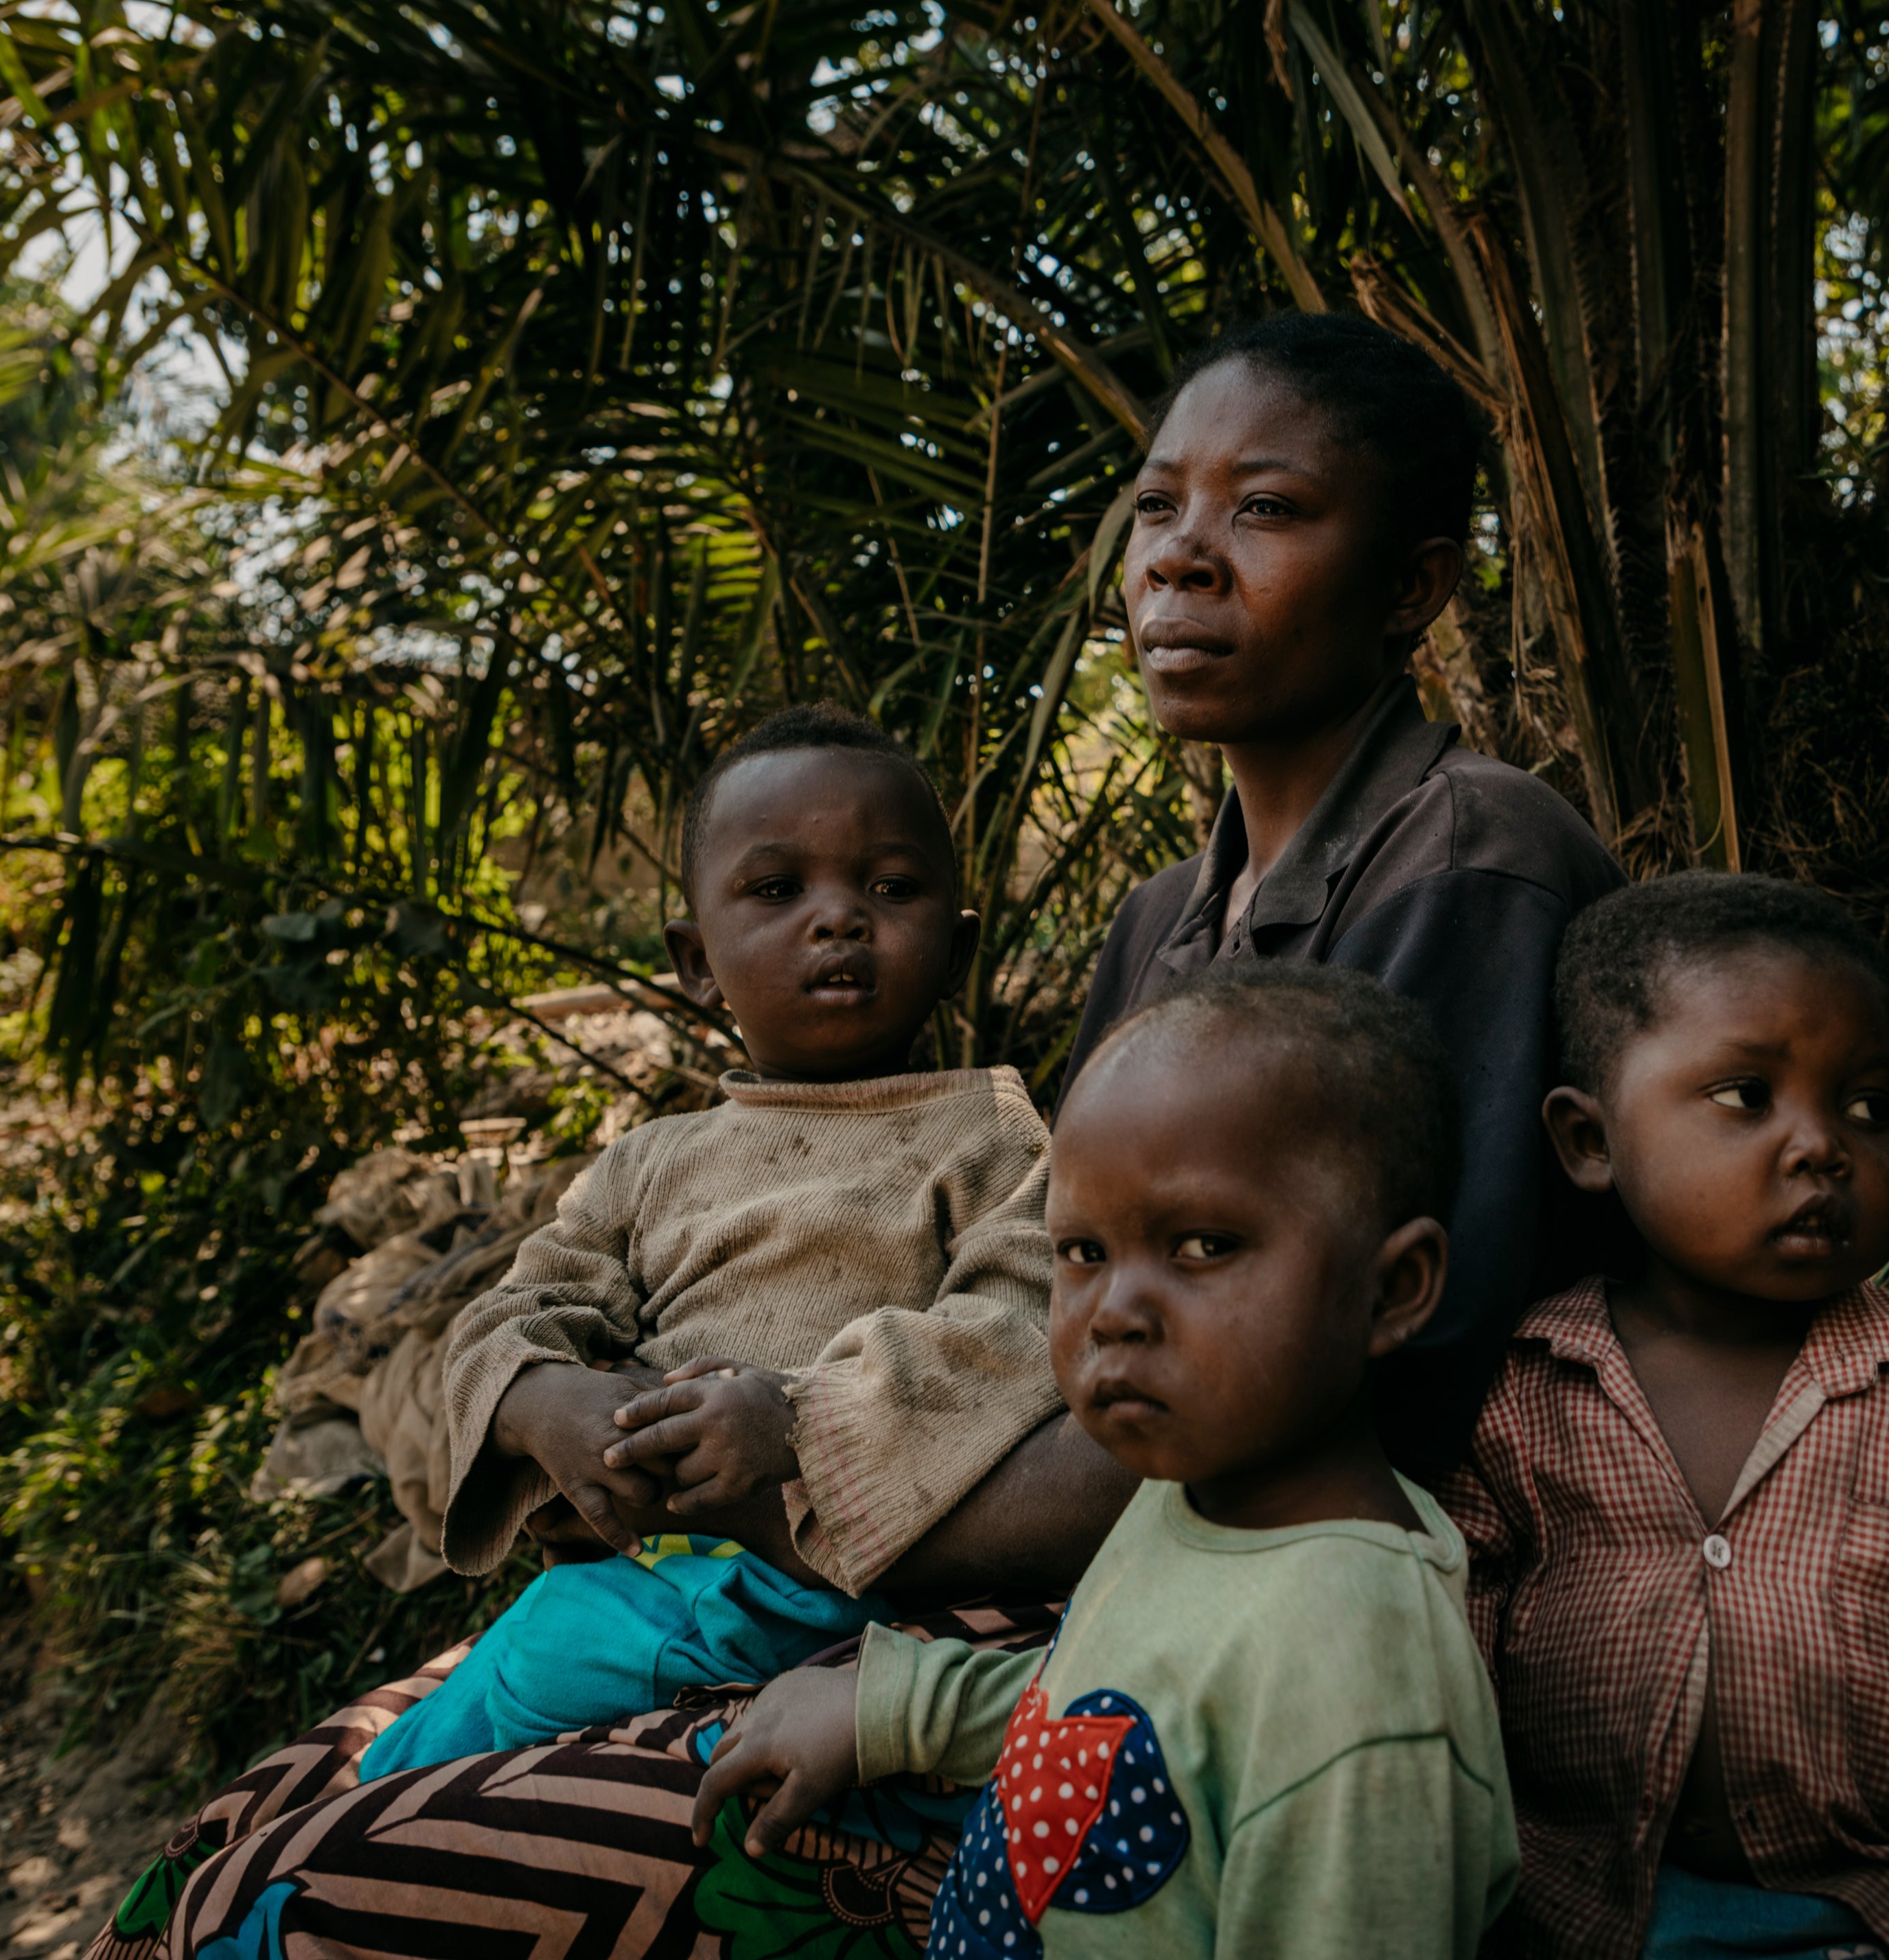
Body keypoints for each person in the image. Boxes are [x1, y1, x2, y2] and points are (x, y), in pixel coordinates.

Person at [89, 708, 1131, 1959]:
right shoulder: (650, 1164)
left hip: (825, 1586)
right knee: (359, 1784)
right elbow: (510, 1313)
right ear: (698, 960)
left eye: (891, 886)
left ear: (957, 946)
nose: (840, 916)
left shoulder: (1000, 1140)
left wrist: (793, 1422)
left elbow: (1018, 1330)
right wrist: (547, 1406)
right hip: (638, 1572)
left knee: (374, 1827)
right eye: (779, 887)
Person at [692, 965, 1520, 1959]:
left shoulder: (1360, 1693)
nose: (1116, 1311)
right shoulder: (1200, 1492)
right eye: (1084, 1252)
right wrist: (898, 1708)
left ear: (1393, 1291)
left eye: (1205, 1245)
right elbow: (1119, 1726)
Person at [1441, 873, 1889, 1960]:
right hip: (1583, 1909)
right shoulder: (1528, 1391)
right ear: (1589, 1142)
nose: (1823, 1146)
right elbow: (1453, 1654)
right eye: (1743, 1095)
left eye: (1870, 1106)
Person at [1066, 312, 1625, 1475]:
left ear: (1413, 584)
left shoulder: (1472, 859)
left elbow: (1410, 1363)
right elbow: (1069, 1291)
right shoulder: (1158, 922)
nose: (1180, 555)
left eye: (1263, 508)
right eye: (1159, 505)